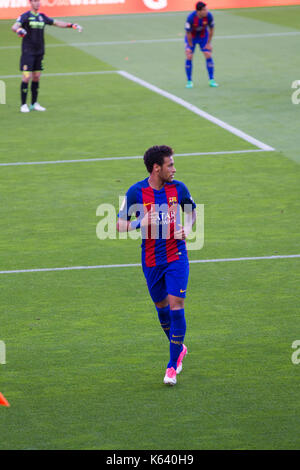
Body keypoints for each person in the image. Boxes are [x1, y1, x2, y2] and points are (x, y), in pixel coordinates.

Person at [117, 145, 197, 386]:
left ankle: (172, 366)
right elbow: (119, 225)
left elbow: (192, 212)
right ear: (156, 168)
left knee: (176, 306)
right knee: (162, 309)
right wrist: (139, 222)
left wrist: (189, 228)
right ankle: (179, 348)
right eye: (170, 165)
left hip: (176, 256)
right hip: (151, 260)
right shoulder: (135, 192)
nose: (174, 169)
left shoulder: (179, 188)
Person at [11, 0, 83, 113]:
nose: (37, 3)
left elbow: (56, 23)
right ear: (30, 3)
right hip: (28, 52)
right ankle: (23, 104)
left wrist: (71, 25)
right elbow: (14, 26)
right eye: (35, 1)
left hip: (39, 52)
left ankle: (34, 103)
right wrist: (19, 30)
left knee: (37, 77)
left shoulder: (42, 17)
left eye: (38, 1)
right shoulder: (25, 16)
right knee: (26, 77)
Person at [185, 1, 218, 88]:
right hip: (191, 37)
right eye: (204, 10)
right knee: (189, 56)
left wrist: (208, 43)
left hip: (203, 36)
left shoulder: (209, 16)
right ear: (198, 11)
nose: (206, 11)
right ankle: (189, 81)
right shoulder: (191, 18)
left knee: (208, 54)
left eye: (206, 9)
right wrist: (189, 46)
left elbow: (211, 30)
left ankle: (211, 79)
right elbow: (188, 33)